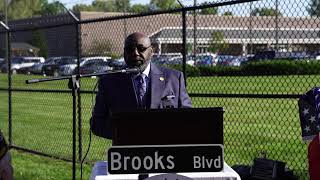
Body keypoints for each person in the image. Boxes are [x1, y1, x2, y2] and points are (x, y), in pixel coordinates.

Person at [90, 32, 192, 139]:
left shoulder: (174, 78)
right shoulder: (109, 82)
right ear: (124, 53)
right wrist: (126, 133)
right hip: (128, 152)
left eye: (141, 48)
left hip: (165, 152)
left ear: (151, 51)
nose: (135, 53)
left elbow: (188, 118)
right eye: (130, 49)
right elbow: (97, 124)